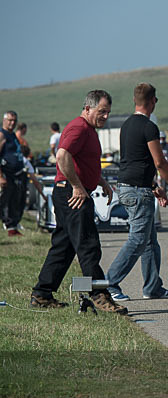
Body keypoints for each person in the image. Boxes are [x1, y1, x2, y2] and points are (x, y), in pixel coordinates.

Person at [30, 90, 126, 313]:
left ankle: (42, 294)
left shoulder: (88, 130)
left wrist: (101, 181)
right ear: (88, 108)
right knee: (88, 245)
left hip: (71, 192)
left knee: (63, 248)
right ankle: (99, 295)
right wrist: (76, 186)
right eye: (102, 111)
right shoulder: (79, 128)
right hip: (72, 194)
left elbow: (82, 162)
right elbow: (62, 155)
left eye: (108, 112)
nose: (105, 116)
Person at [105, 83, 168, 302]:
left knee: (149, 241)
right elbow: (160, 162)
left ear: (135, 100)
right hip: (137, 191)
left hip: (129, 186)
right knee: (138, 240)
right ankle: (108, 284)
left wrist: (154, 187)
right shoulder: (149, 127)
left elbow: (136, 161)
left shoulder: (126, 125)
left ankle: (152, 287)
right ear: (153, 101)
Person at [0, 111, 28, 236]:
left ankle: (14, 226)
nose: (12, 123)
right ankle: (9, 227)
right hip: (7, 173)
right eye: (10, 120)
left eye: (14, 121)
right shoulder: (2, 135)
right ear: (4, 120)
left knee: (17, 201)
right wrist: (0, 176)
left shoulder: (13, 135)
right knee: (7, 201)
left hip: (17, 173)